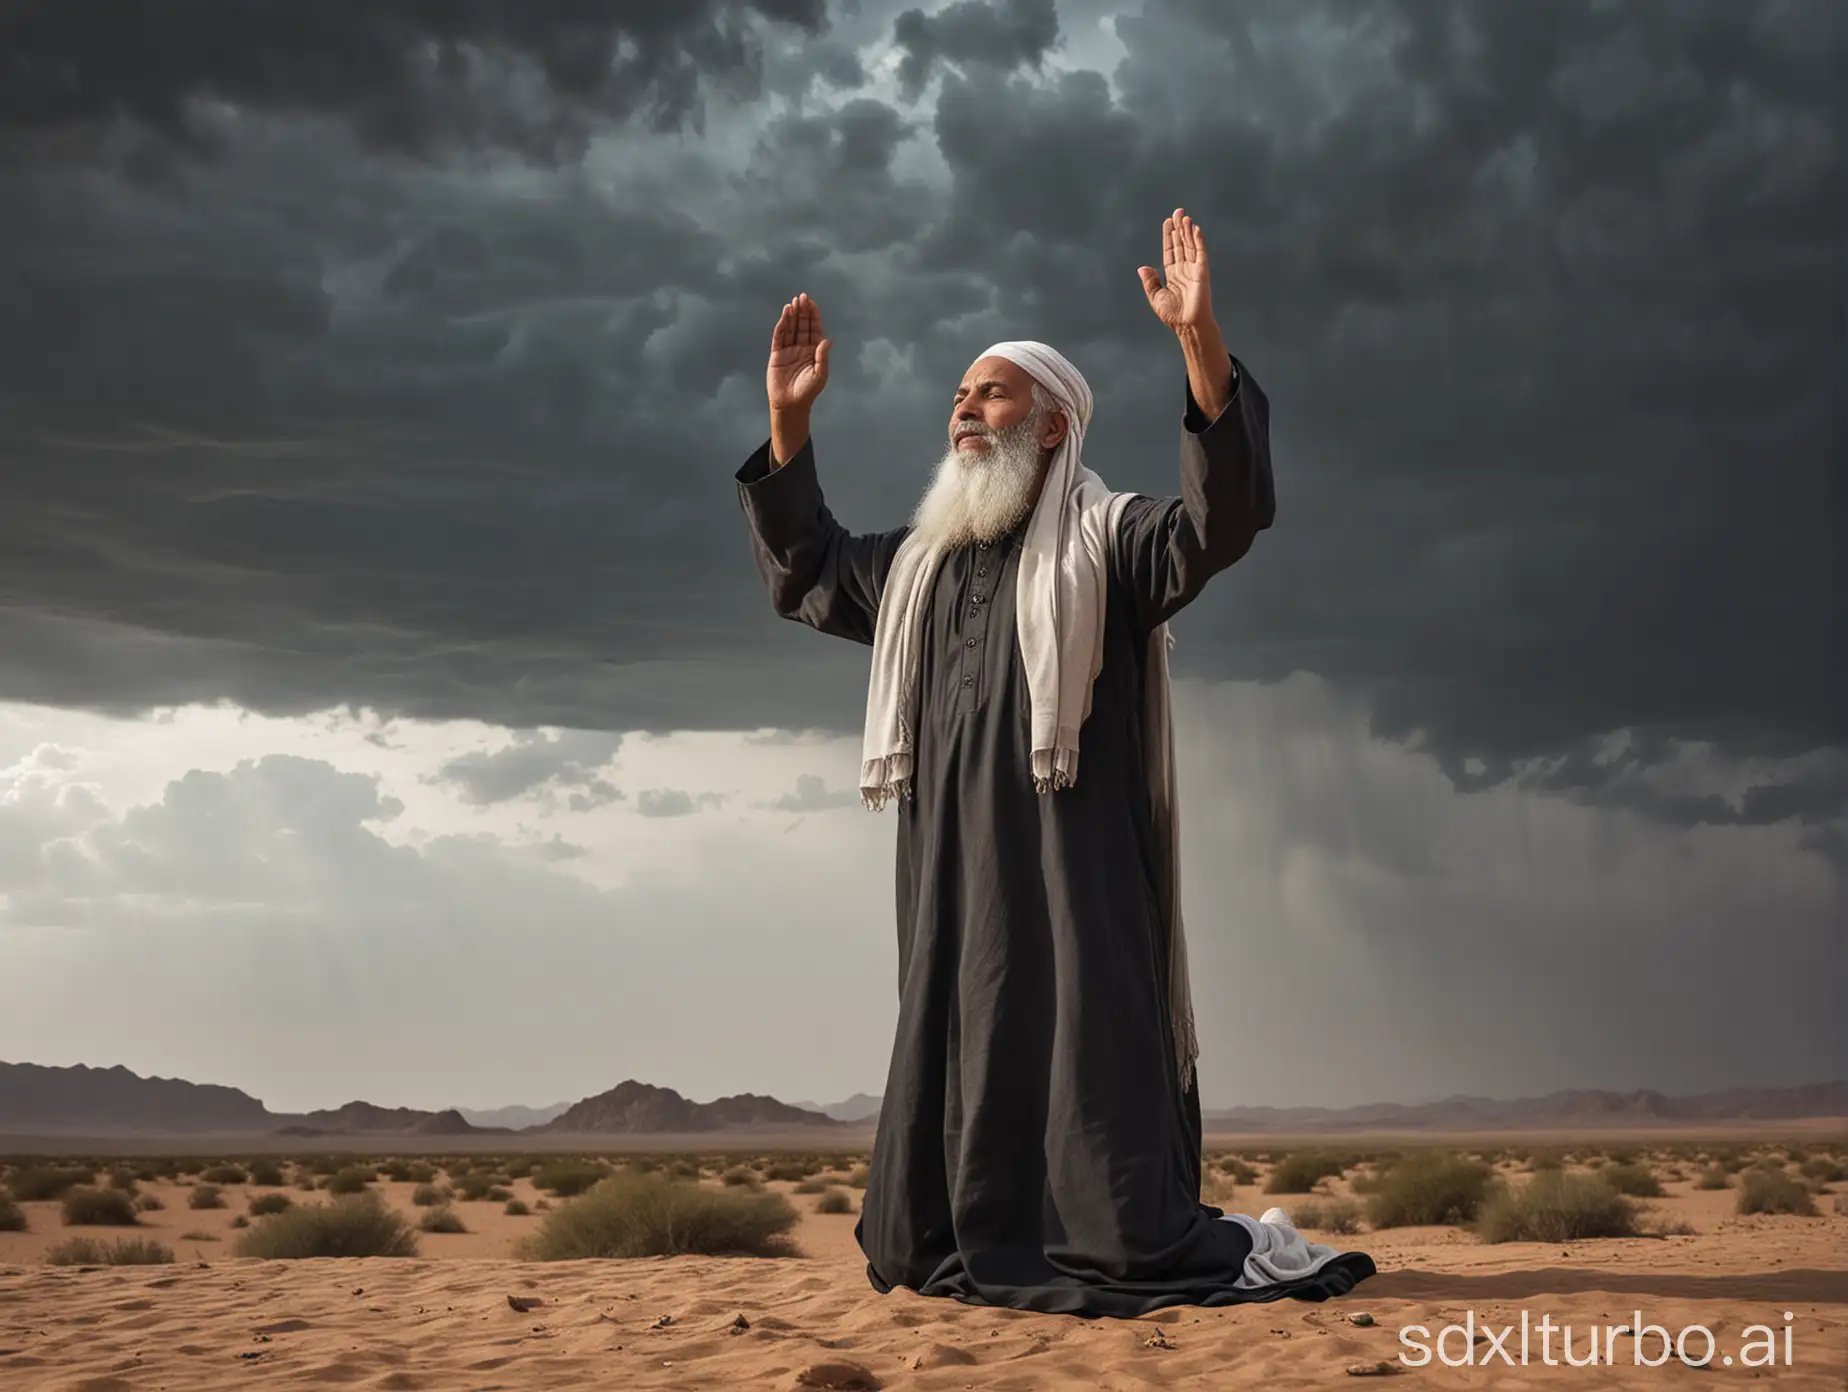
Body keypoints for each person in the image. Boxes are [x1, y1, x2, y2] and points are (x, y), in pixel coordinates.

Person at [734, 208, 1376, 1317]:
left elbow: (1224, 523)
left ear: (1052, 421)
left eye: (990, 392)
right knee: (911, 1214)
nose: (964, 410)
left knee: (1098, 1109)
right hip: (951, 881)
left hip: (1078, 875)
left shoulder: (1114, 542)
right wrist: (789, 429)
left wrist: (1200, 346)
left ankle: (1109, 1230)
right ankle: (961, 1222)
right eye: (959, 396)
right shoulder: (918, 570)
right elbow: (810, 572)